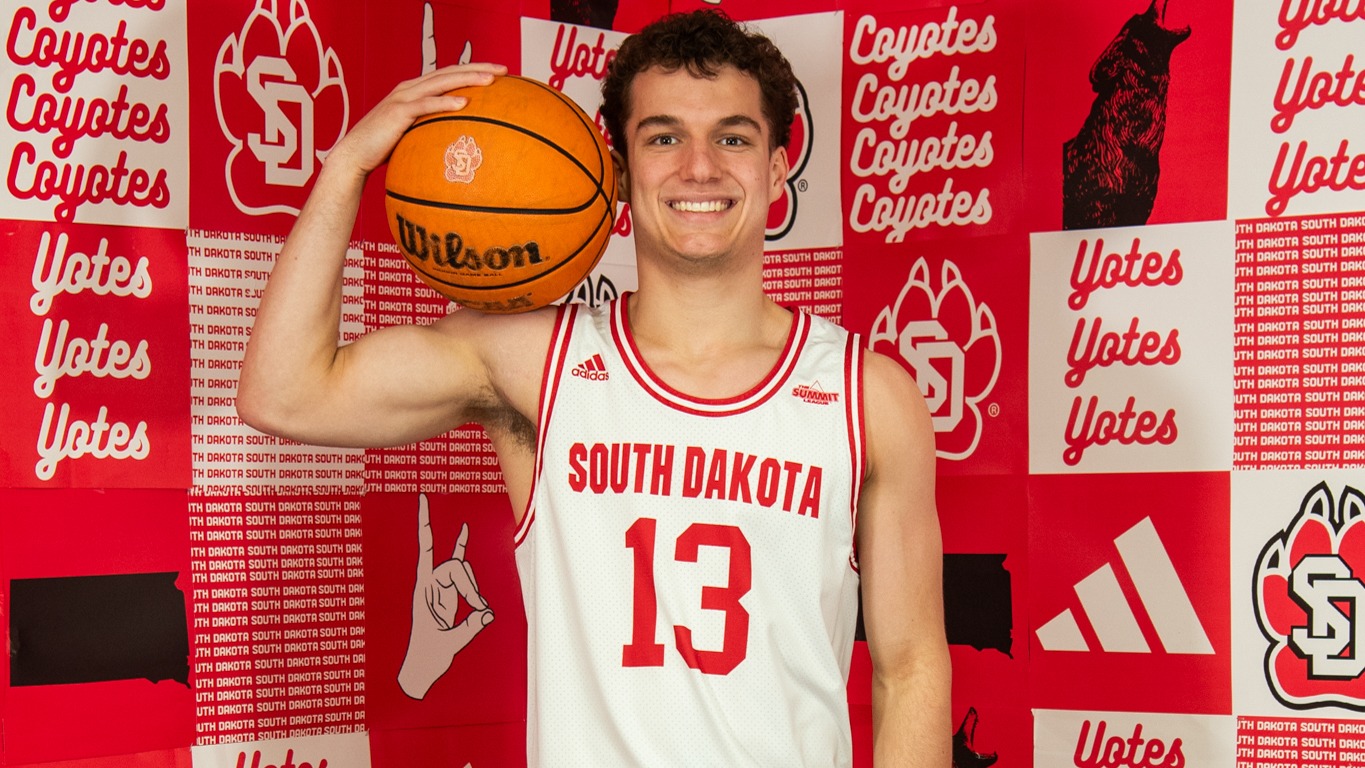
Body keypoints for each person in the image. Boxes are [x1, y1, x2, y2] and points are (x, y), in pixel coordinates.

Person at [237, 9, 948, 766]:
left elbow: (909, 672)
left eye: (733, 138)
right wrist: (348, 162)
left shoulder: (866, 396)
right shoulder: (534, 362)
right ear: (618, 168)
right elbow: (283, 393)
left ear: (777, 166)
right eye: (663, 137)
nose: (698, 168)